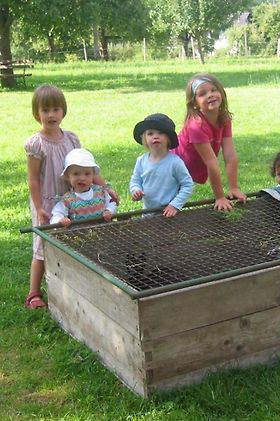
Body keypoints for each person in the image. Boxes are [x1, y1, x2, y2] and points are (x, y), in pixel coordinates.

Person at [24, 84, 118, 309]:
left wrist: (107, 188)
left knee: (73, 240)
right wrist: (38, 207)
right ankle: (34, 292)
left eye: (56, 109)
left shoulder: (72, 140)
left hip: (73, 198)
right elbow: (33, 179)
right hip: (47, 201)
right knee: (42, 247)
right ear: (37, 113)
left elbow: (87, 170)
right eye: (45, 110)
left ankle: (68, 283)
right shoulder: (36, 144)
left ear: (63, 111)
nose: (51, 115)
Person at [172, 73, 247, 211]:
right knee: (165, 203)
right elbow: (211, 162)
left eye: (214, 90)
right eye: (202, 94)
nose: (210, 95)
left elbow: (230, 156)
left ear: (221, 93)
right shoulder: (196, 125)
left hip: (189, 167)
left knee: (173, 206)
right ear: (194, 103)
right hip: (172, 168)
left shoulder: (224, 118)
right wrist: (219, 197)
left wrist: (233, 188)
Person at [130, 113, 194, 217]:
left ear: (168, 138)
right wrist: (136, 190)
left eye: (160, 133)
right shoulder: (141, 161)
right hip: (147, 212)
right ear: (144, 138)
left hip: (169, 212)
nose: (155, 136)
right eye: (150, 133)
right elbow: (136, 180)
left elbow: (187, 185)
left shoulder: (175, 162)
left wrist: (175, 205)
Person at [51, 148, 117, 226]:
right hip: (79, 236)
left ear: (93, 175)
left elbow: (112, 203)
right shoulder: (67, 199)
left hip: (103, 231)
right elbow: (56, 214)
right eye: (76, 174)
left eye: (87, 174)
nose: (82, 178)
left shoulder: (100, 192)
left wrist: (109, 211)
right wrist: (60, 219)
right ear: (68, 176)